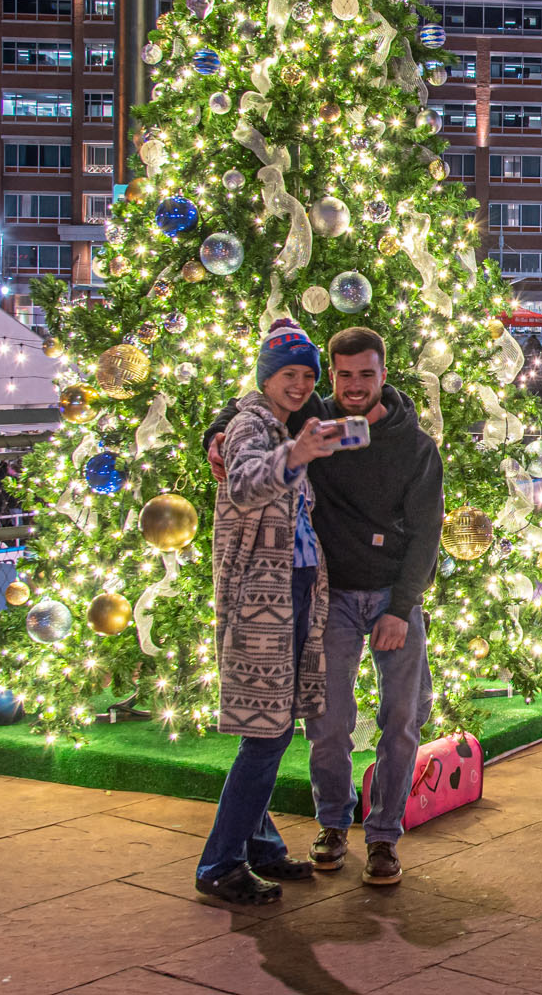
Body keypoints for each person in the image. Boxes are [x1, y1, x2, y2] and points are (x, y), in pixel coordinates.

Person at [206, 324, 442, 887]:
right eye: (343, 375)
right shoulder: (315, 417)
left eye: (366, 374)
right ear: (331, 377)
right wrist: (215, 434)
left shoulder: (413, 445)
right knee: (328, 724)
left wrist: (400, 607)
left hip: (392, 597)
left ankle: (384, 836)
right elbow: (253, 406)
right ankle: (334, 824)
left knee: (402, 722)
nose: (354, 386)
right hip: (328, 596)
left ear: (384, 375)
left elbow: (429, 533)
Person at [197, 320, 341, 906]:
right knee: (268, 732)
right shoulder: (252, 425)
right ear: (266, 377)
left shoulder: (276, 422)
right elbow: (246, 482)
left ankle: (260, 846)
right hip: (263, 598)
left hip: (291, 590)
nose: (302, 384)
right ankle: (220, 863)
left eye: (309, 375)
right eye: (290, 374)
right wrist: (296, 453)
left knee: (275, 726)